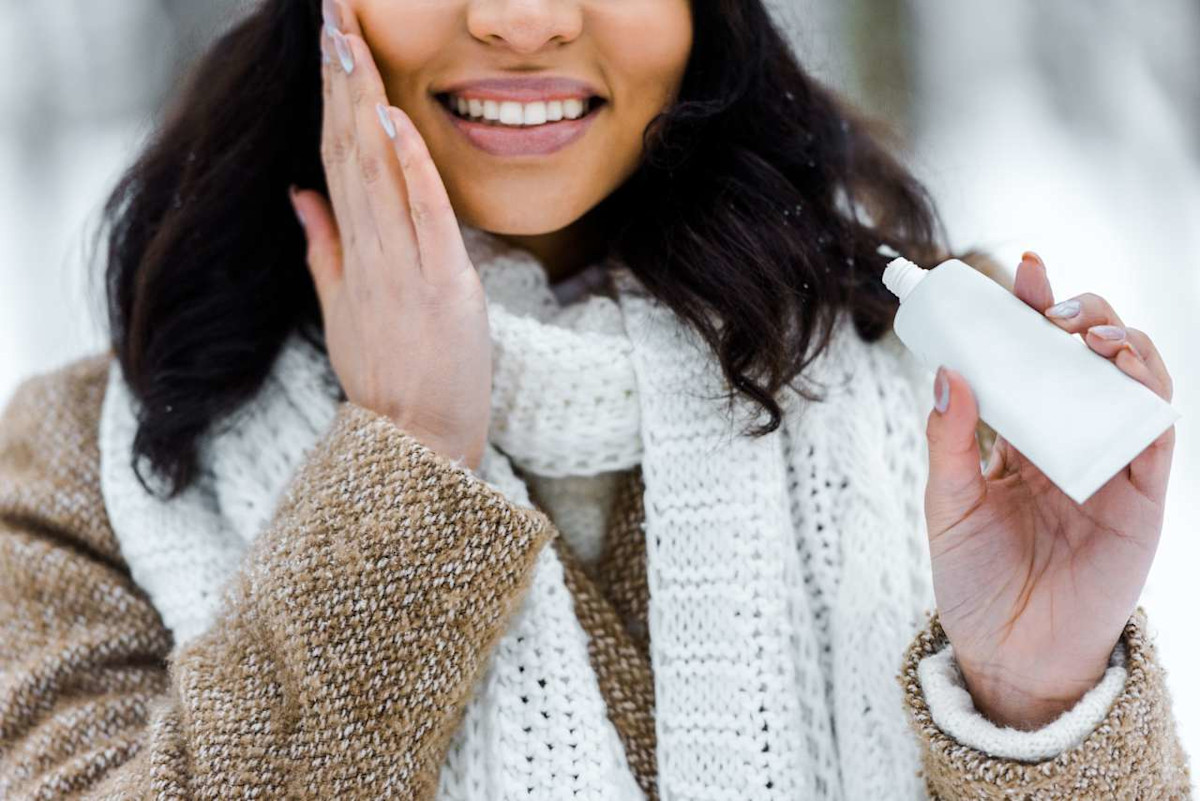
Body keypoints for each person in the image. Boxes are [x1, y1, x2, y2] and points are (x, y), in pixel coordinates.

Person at [0, 0, 1188, 798]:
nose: (523, 20)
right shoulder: (85, 472)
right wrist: (403, 458)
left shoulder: (944, 387)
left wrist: (1036, 705)